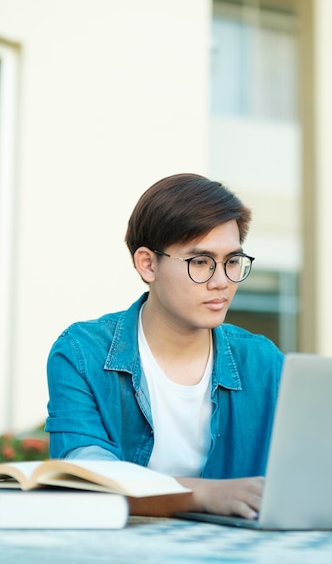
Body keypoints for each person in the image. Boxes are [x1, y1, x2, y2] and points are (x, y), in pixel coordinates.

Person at [45, 173, 284, 519]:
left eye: (232, 261)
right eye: (200, 262)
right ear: (147, 264)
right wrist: (203, 494)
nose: (221, 282)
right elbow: (86, 479)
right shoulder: (82, 354)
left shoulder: (263, 361)